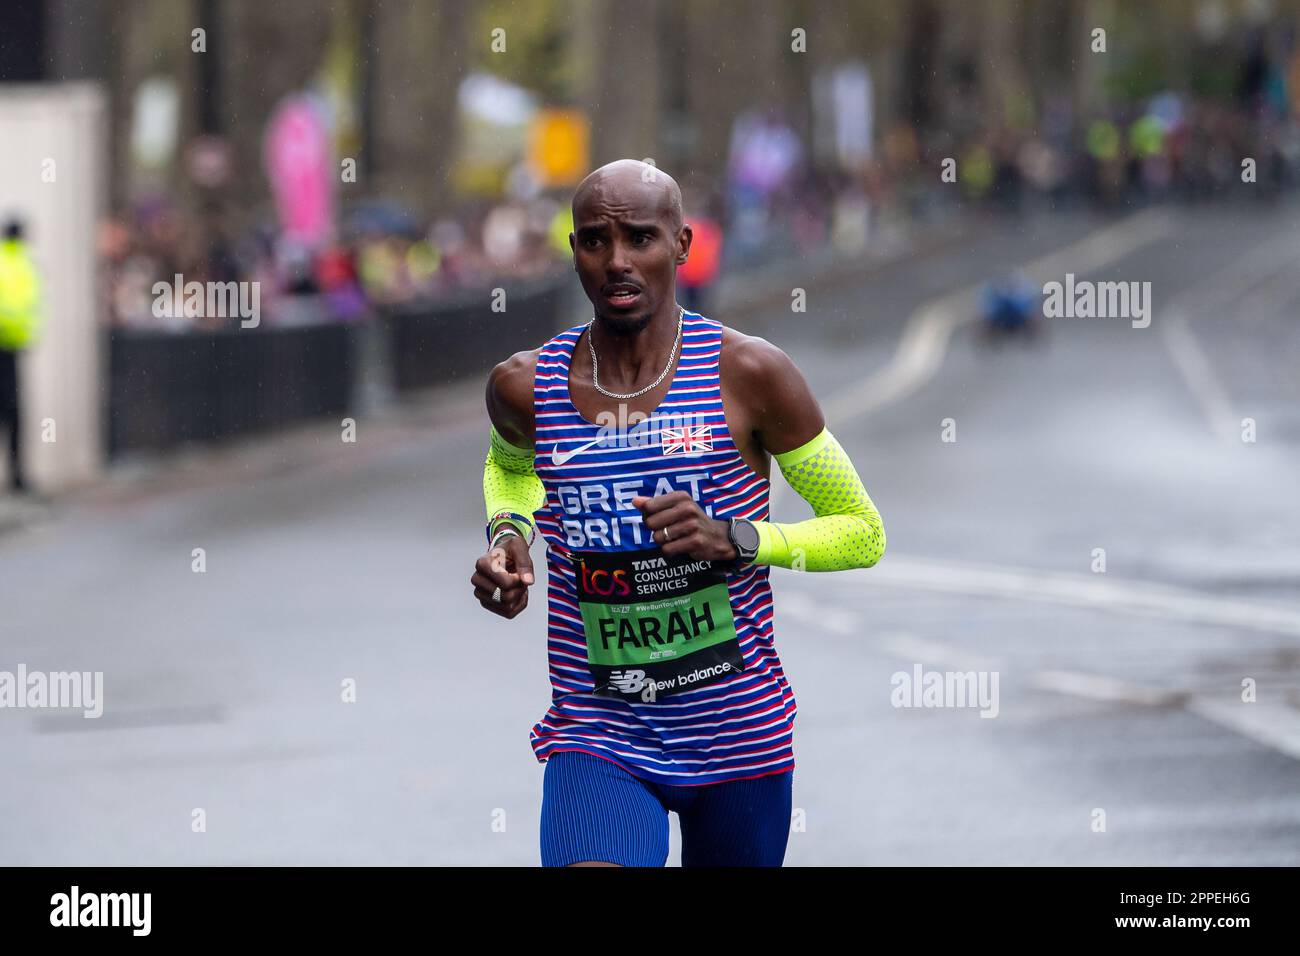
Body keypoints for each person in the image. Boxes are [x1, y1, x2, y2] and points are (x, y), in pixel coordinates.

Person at [470, 160, 886, 867]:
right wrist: (510, 536)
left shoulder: (750, 375)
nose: (618, 261)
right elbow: (510, 470)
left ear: (683, 245)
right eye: (595, 241)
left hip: (739, 736)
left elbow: (860, 531)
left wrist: (739, 538)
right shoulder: (524, 385)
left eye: (641, 238)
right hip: (598, 733)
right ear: (573, 251)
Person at [0, 219, 42, 493]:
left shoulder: (12, 261)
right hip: (12, 347)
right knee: (14, 413)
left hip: (11, 346)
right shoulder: (24, 263)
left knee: (12, 413)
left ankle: (17, 476)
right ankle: (17, 476)